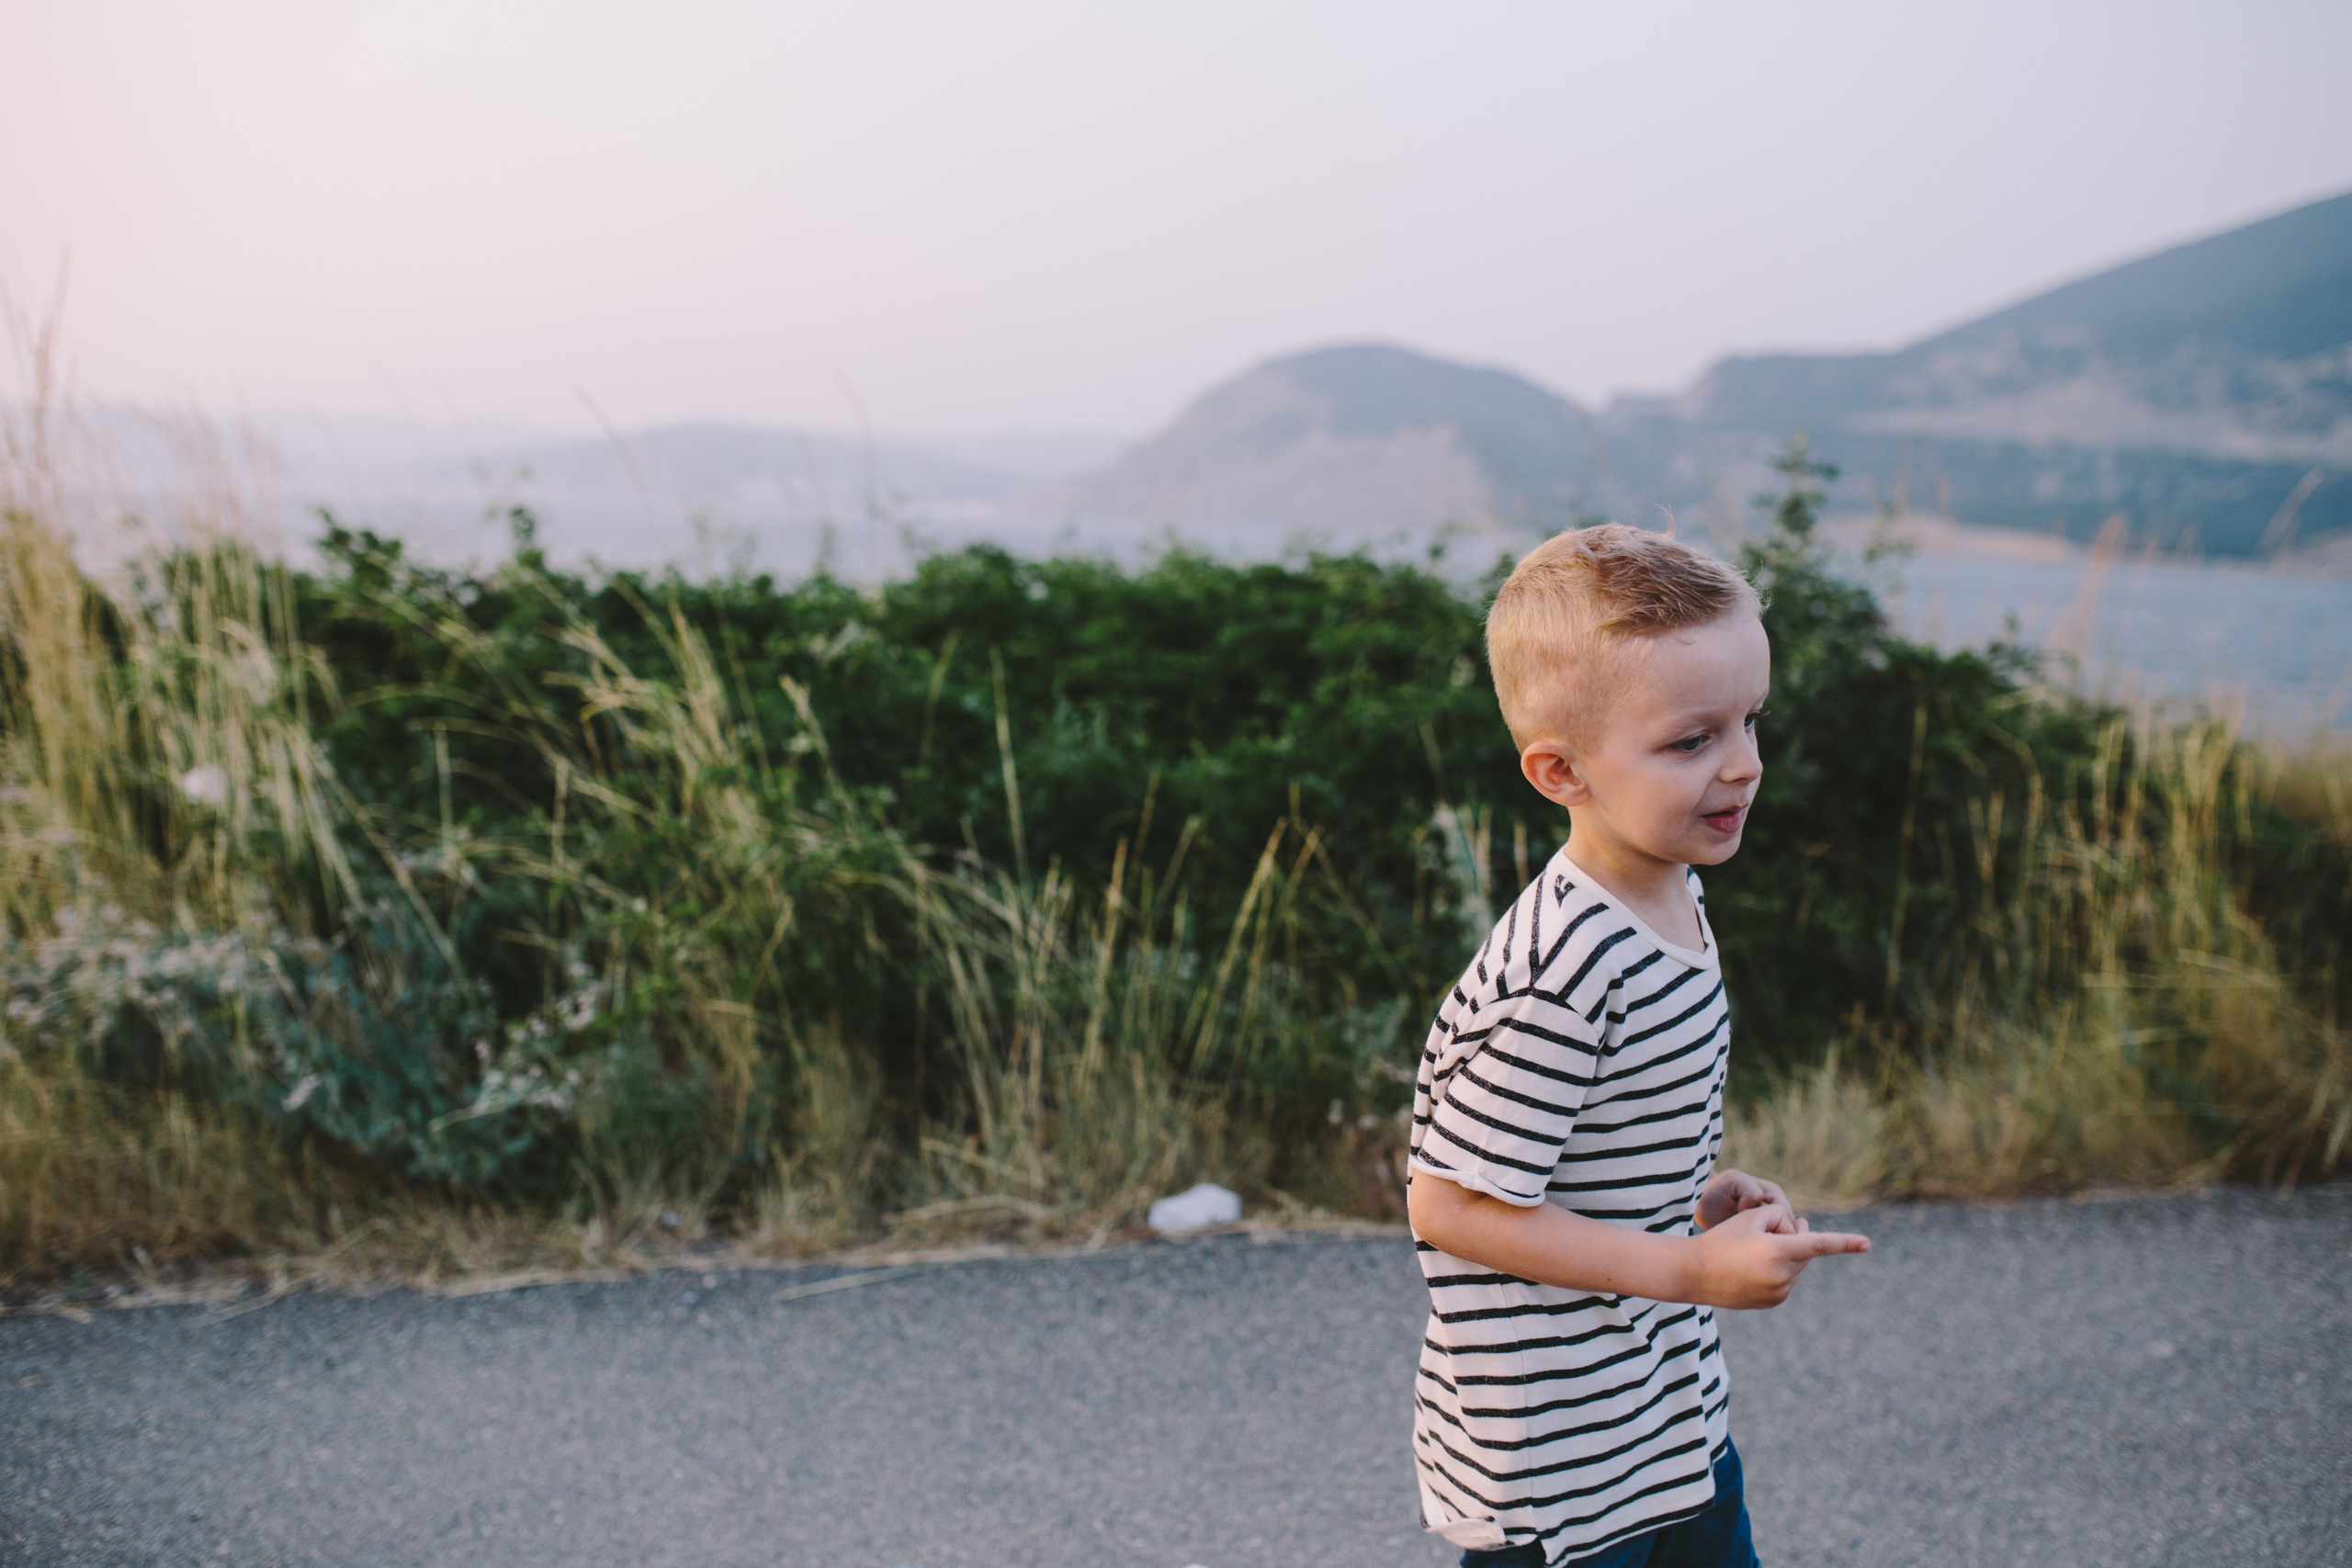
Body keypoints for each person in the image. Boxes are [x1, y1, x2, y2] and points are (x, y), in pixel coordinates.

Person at [1405, 524, 1871, 1568]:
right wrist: (1688, 1269)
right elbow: (1451, 1203)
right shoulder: (1561, 965)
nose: (1743, 766)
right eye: (1690, 741)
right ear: (1559, 770)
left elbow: (1584, 1149)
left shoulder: (1667, 896)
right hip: (1559, 1469)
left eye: (1749, 721)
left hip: (1665, 1425)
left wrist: (1690, 1197)